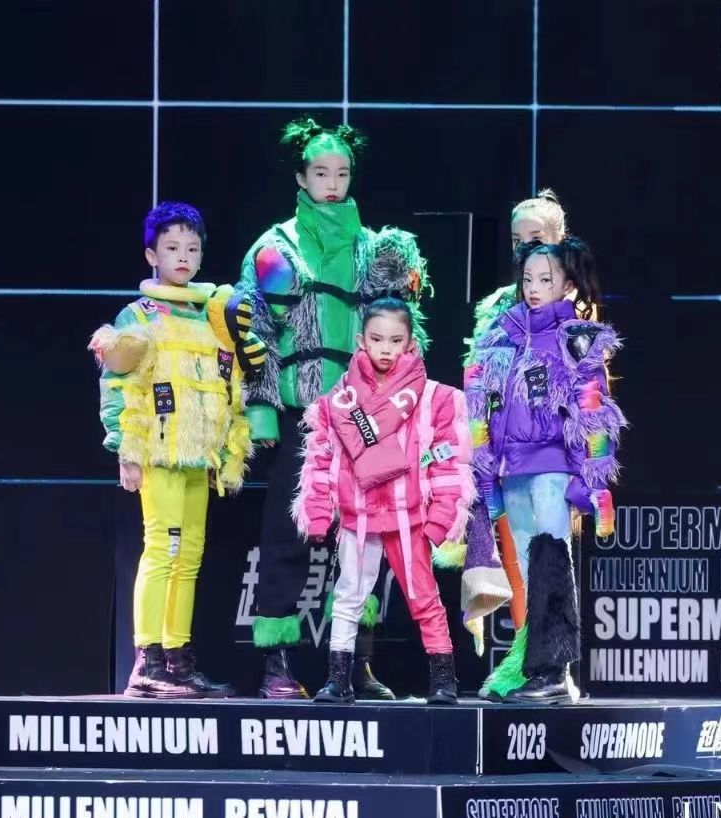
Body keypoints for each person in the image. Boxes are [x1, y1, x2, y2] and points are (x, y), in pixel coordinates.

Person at [236, 117, 432, 699]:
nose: (332, 183)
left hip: (363, 418)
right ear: (301, 177)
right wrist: (262, 414)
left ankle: (355, 663)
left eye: (341, 173)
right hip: (302, 415)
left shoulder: (375, 250)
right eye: (321, 173)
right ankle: (275, 665)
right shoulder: (275, 248)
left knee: (365, 535)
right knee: (289, 532)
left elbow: (402, 335)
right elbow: (254, 336)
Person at [88, 202, 257, 699]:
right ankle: (148, 661)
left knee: (191, 555)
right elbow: (119, 385)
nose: (182, 256)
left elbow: (228, 386)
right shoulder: (139, 316)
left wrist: (227, 451)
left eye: (192, 248)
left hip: (198, 457)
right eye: (172, 248)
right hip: (159, 453)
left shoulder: (212, 317)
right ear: (152, 255)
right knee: (162, 548)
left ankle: (177, 659)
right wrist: (126, 450)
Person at [464, 238, 626, 704]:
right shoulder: (500, 334)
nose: (534, 288)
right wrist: (482, 465)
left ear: (567, 284)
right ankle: (535, 668)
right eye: (528, 279)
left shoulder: (577, 339)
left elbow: (595, 412)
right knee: (528, 566)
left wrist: (592, 481)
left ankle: (554, 672)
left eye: (546, 279)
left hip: (553, 464)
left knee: (551, 558)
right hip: (510, 467)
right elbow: (478, 403)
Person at [292, 298, 474, 704]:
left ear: (411, 344)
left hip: (409, 515)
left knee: (424, 597)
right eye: (377, 339)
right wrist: (318, 512)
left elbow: (448, 460)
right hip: (359, 513)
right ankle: (338, 679)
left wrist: (442, 516)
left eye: (395, 340)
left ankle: (443, 681)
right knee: (349, 596)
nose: (386, 349)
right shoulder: (340, 400)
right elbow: (320, 457)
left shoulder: (435, 398)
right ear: (361, 341)